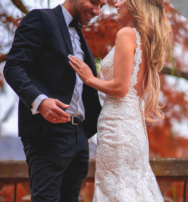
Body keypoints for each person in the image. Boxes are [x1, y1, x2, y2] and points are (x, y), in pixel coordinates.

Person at [68, 0, 171, 200]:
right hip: (132, 126)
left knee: (116, 189)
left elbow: (120, 88)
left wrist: (90, 79)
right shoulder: (144, 40)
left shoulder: (127, 34)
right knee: (129, 187)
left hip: (119, 127)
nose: (116, 3)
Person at [3, 0, 105, 201]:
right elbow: (13, 66)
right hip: (48, 133)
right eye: (94, 2)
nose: (98, 11)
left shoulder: (79, 33)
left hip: (80, 137)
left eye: (102, 5)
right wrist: (39, 102)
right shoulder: (40, 18)